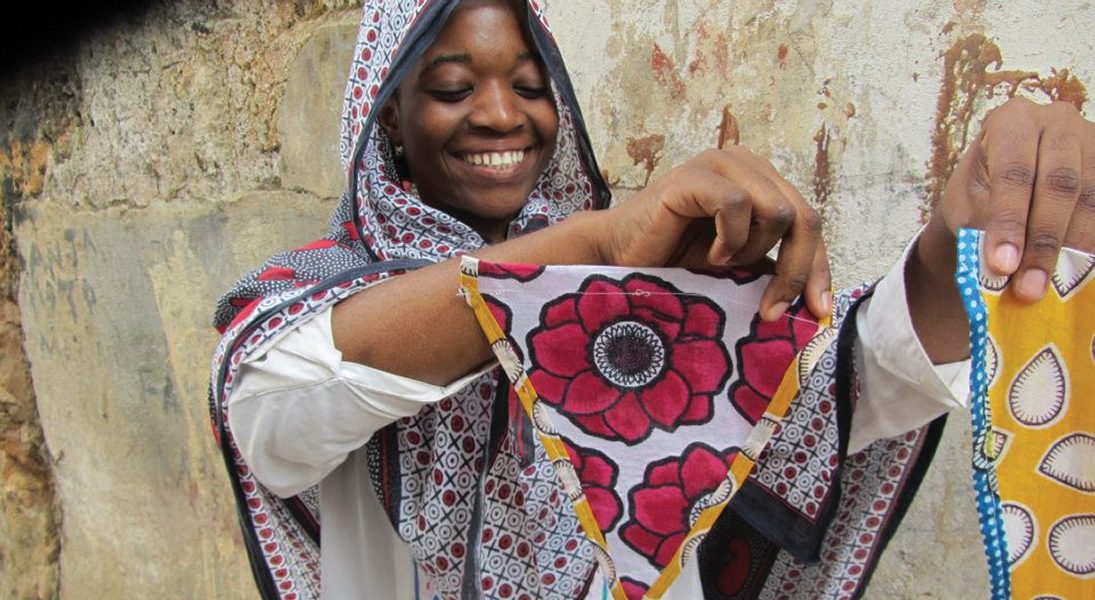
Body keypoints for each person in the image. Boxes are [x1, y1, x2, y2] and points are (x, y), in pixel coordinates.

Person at [208, 0, 1095, 598]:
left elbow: (840, 389)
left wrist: (962, 239)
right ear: (387, 113)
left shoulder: (651, 295)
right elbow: (282, 404)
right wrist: (589, 252)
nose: (499, 115)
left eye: (528, 84)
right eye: (450, 87)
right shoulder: (309, 299)